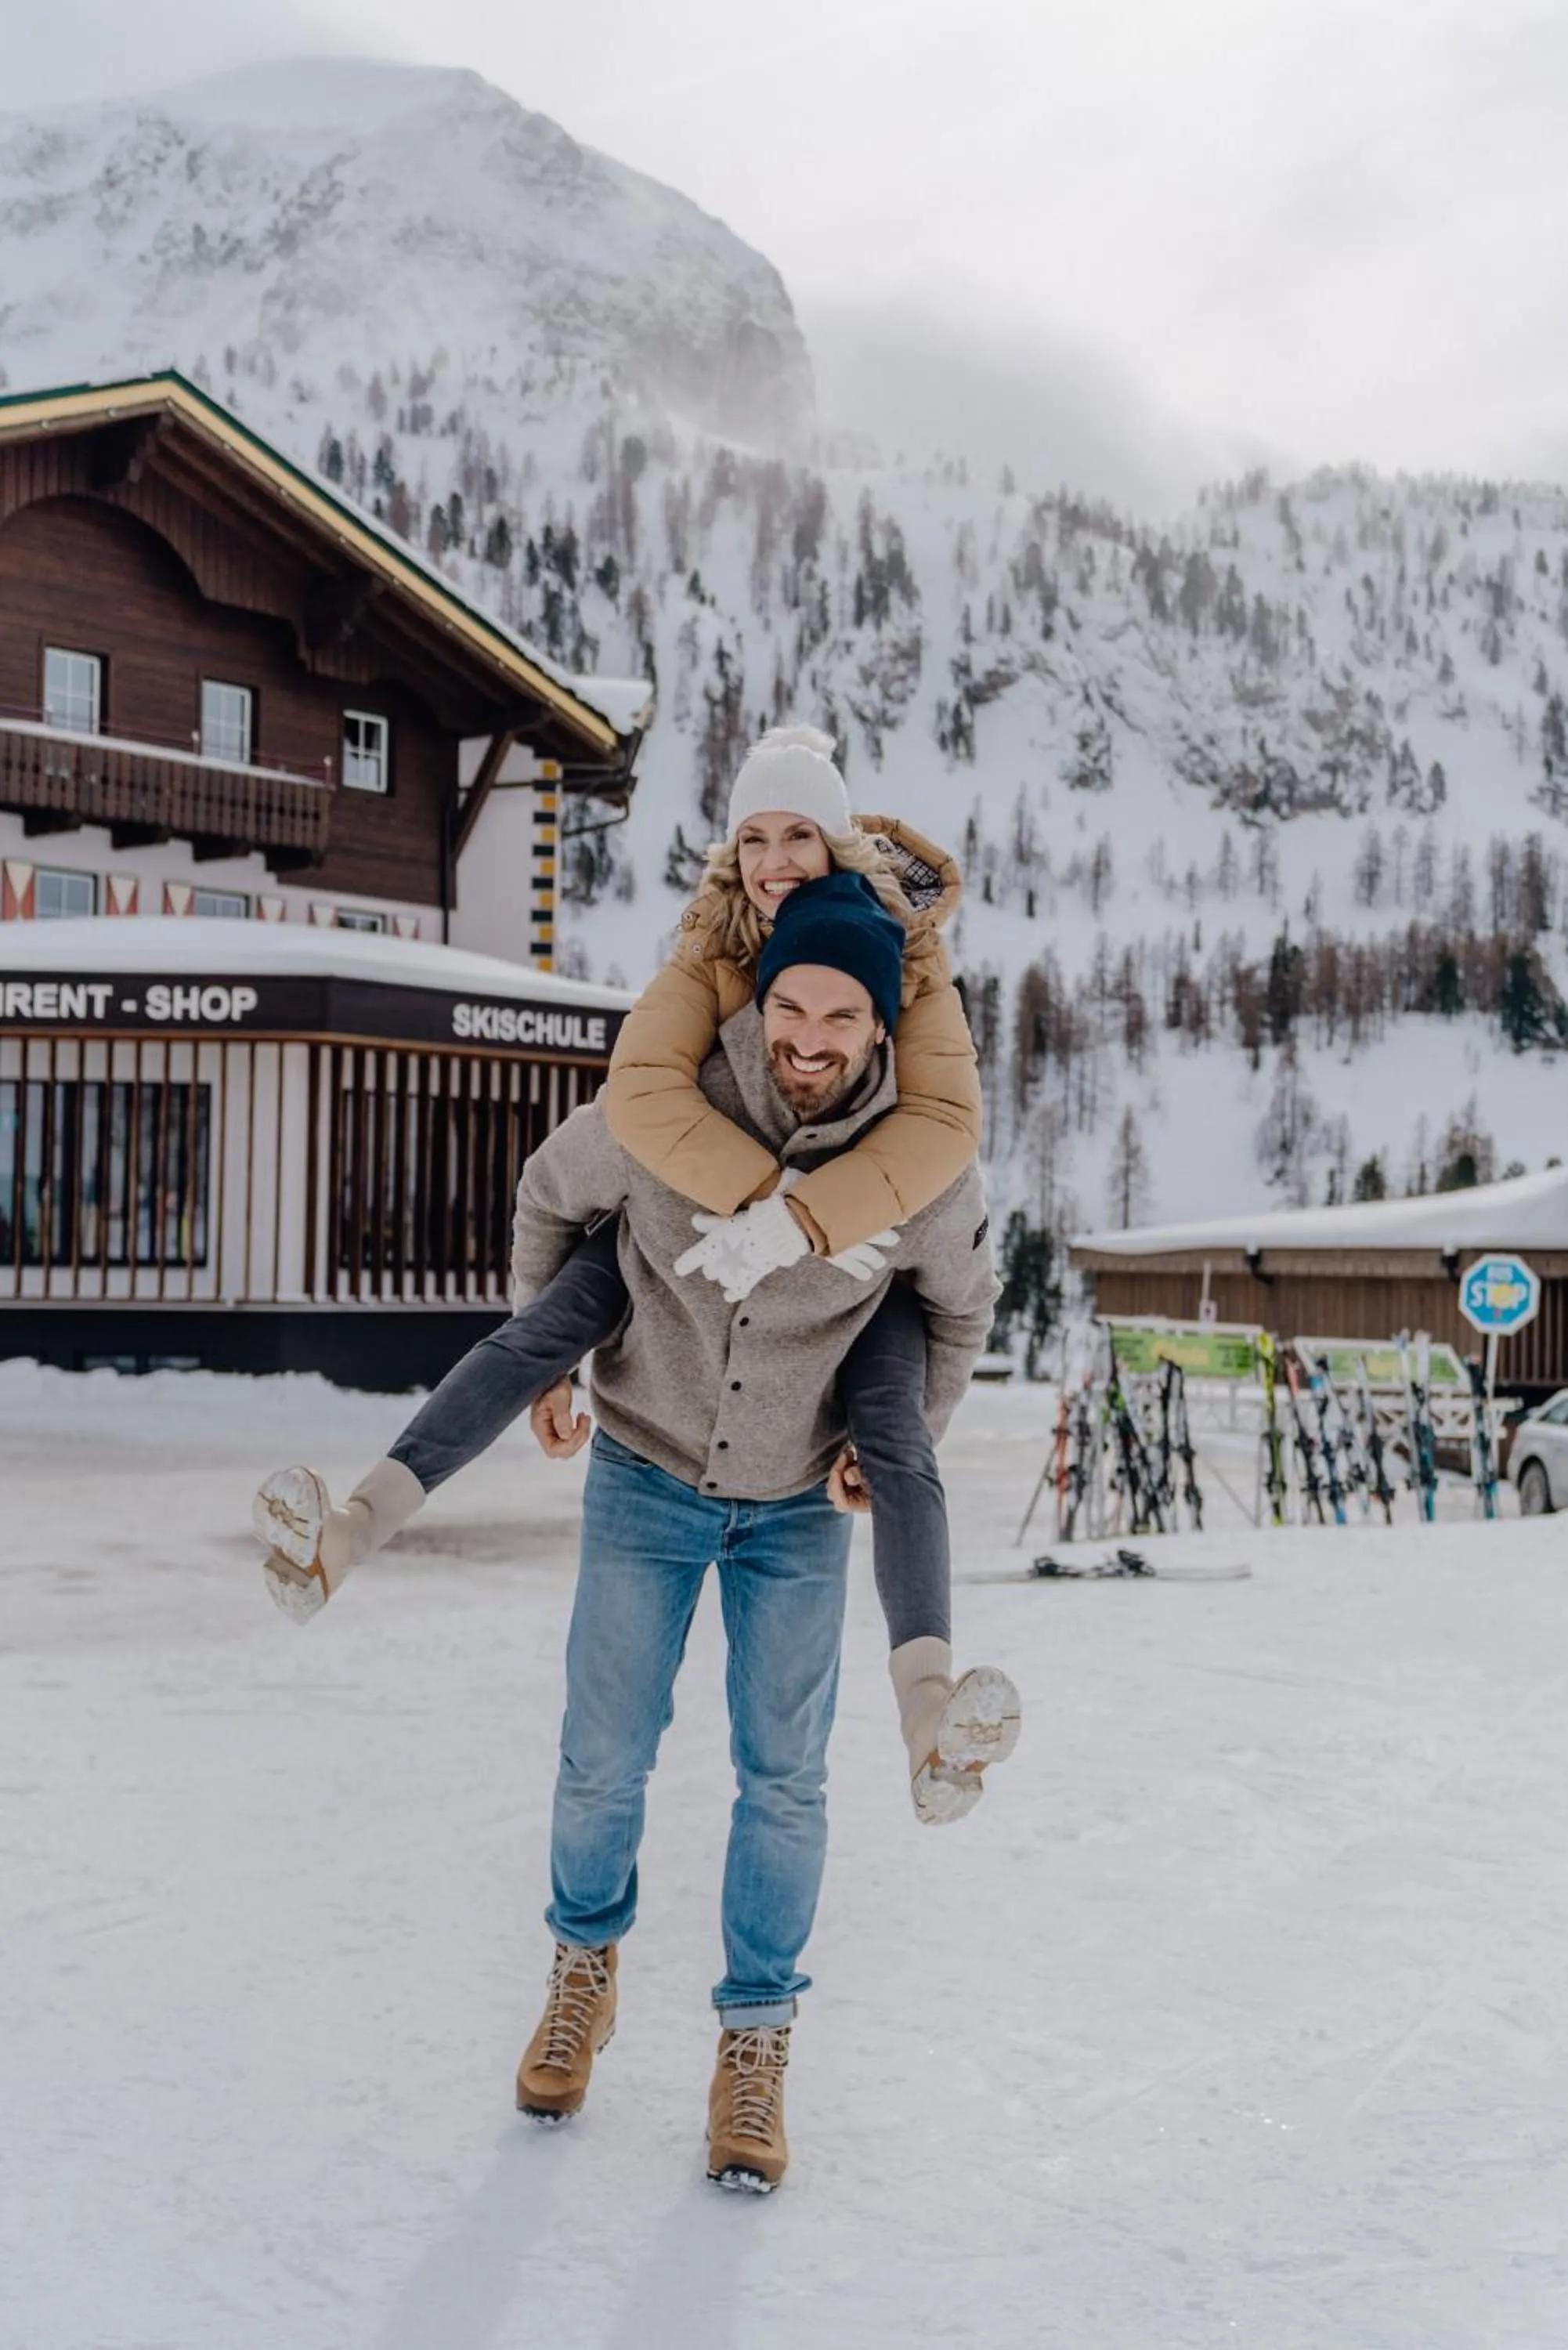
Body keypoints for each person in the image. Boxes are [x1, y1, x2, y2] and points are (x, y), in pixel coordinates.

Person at [256, 727, 1015, 1827]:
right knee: (540, 1335)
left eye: (799, 833)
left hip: (856, 1268)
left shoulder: (904, 961)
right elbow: (635, 1098)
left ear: (839, 844)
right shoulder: (708, 955)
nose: (774, 858)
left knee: (896, 1428)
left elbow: (944, 1127)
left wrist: (813, 1222)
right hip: (671, 1243)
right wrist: (751, 1203)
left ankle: (929, 1715)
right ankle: (346, 1530)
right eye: (753, 836)